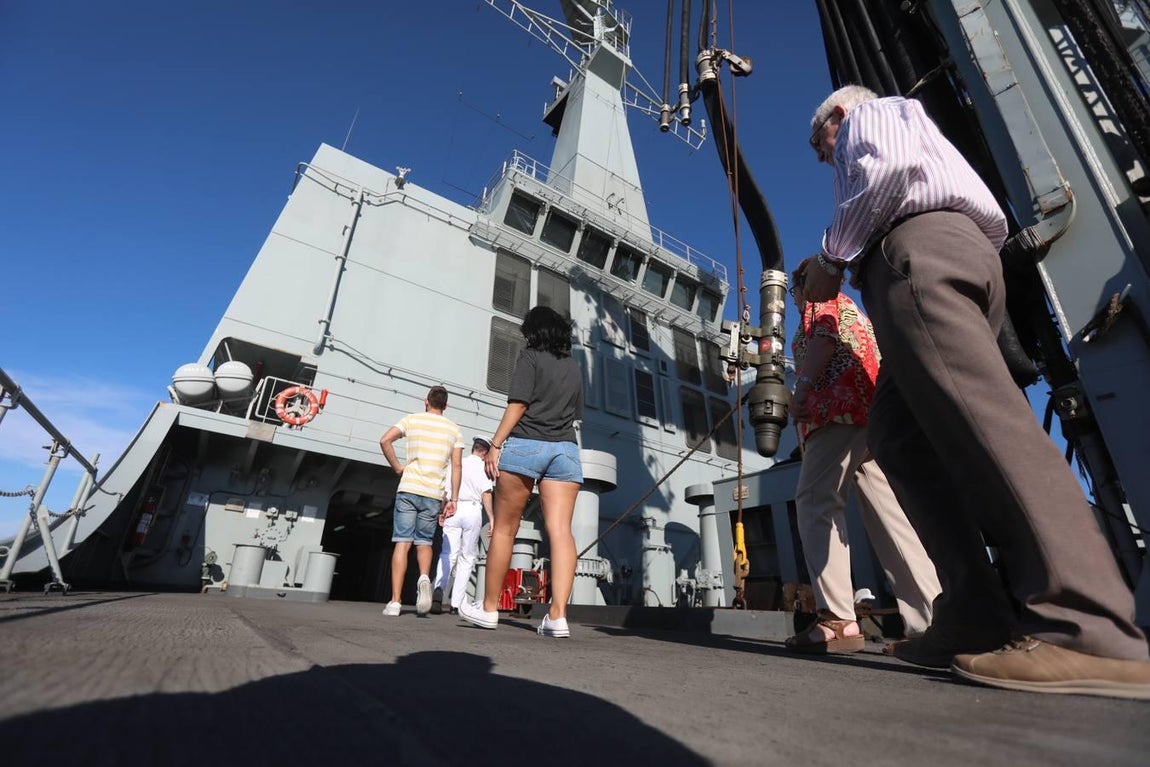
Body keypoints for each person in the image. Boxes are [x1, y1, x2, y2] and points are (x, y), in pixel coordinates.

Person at [802, 84, 1150, 697]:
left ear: (837, 114)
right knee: (898, 437)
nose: (821, 157)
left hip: (919, 258)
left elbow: (887, 166)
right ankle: (973, 613)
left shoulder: (871, 114)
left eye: (818, 142)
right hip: (946, 257)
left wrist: (832, 259)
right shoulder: (899, 129)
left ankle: (1089, 623)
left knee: (989, 421)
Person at [784, 265, 941, 654]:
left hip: (836, 410)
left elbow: (823, 340)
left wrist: (800, 390)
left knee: (816, 501)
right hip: (874, 413)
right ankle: (932, 621)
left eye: (793, 291)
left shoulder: (820, 301)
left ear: (806, 283)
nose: (794, 299)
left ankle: (837, 619)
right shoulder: (856, 309)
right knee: (891, 517)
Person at [459, 306, 583, 638]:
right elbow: (575, 414)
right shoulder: (573, 367)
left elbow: (519, 404)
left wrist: (496, 444)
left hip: (526, 444)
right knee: (560, 532)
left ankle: (488, 609)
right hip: (566, 450)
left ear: (534, 332)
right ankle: (557, 617)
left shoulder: (529, 357)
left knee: (504, 529)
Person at [379, 385, 463, 617]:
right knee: (424, 542)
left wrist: (398, 467)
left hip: (409, 487)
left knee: (402, 542)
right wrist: (453, 498)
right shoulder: (454, 429)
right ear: (446, 406)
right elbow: (457, 465)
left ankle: (395, 602)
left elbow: (385, 440)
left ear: (426, 401)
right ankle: (424, 578)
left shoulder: (411, 420)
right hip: (433, 493)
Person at [433, 436, 495, 614]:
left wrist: (442, 511)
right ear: (484, 452)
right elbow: (487, 495)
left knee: (447, 553)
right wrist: (491, 518)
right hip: (473, 510)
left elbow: (445, 491)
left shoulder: (457, 463)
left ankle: (439, 589)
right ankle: (456, 603)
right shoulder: (484, 469)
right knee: (467, 557)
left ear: (474, 448)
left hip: (454, 507)